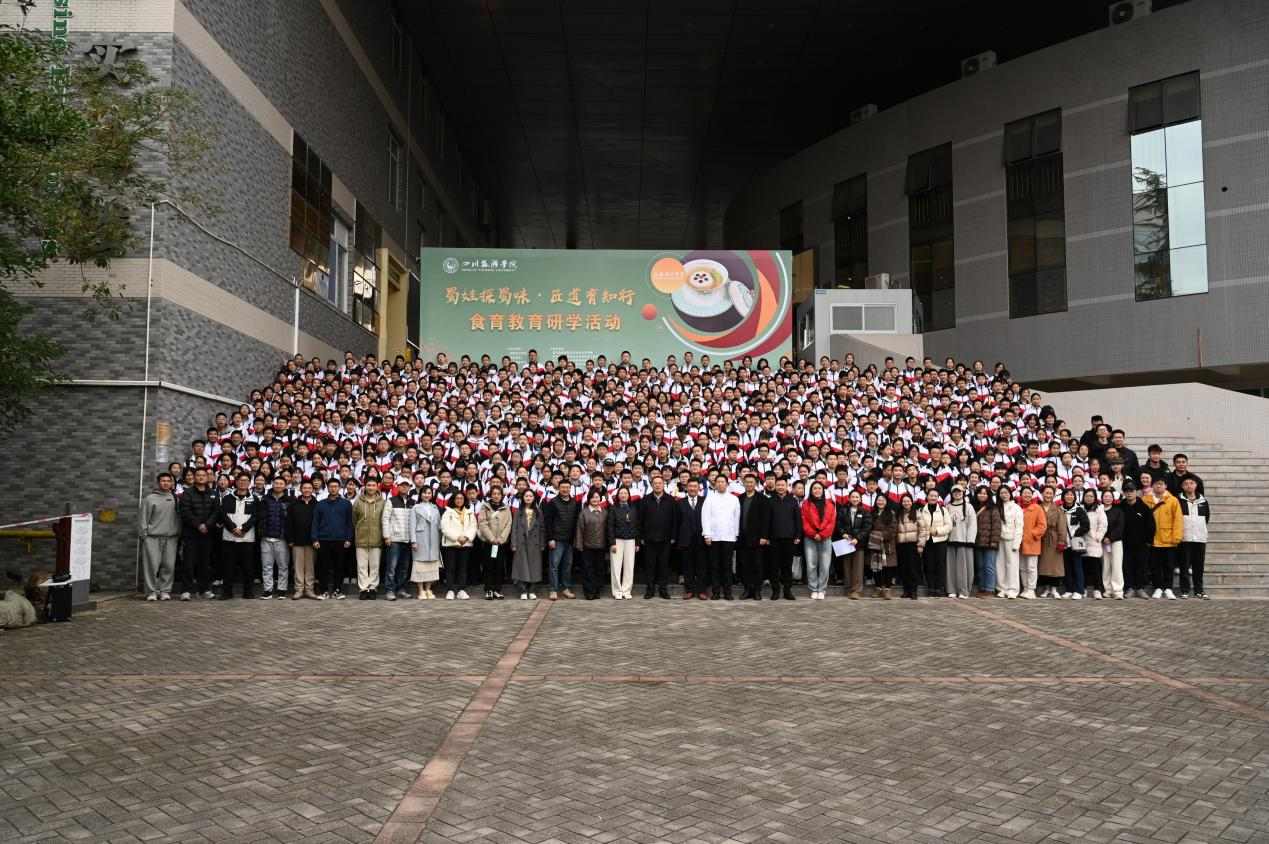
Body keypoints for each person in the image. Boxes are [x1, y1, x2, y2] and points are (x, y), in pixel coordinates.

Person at [178, 467, 219, 600]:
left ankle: (204, 590)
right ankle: (186, 590)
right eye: (198, 475)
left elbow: (216, 511)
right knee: (188, 563)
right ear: (194, 477)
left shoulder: (213, 493)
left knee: (205, 563)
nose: (201, 477)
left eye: (204, 475)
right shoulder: (187, 493)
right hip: (191, 534)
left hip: (208, 534)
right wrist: (198, 525)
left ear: (208, 477)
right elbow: (185, 512)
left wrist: (207, 525)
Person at [139, 472, 181, 602]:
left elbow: (179, 517)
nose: (166, 483)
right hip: (152, 538)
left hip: (171, 538)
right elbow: (143, 518)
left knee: (168, 566)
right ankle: (151, 592)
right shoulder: (150, 499)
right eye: (163, 481)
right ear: (158, 483)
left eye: (168, 481)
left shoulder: (175, 498)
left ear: (172, 483)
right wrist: (144, 535)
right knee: (151, 567)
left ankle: (165, 591)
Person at [217, 473, 259, 599]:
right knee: (228, 567)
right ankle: (227, 592)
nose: (243, 482)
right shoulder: (227, 498)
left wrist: (243, 529)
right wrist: (233, 528)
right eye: (241, 480)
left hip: (247, 538)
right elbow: (223, 515)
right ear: (236, 482)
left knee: (248, 567)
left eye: (246, 480)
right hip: (229, 538)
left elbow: (255, 517)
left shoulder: (254, 499)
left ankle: (248, 592)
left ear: (250, 483)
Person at [312, 477, 353, 600]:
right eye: (331, 486)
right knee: (323, 566)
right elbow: (315, 522)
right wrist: (314, 538)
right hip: (323, 540)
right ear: (327, 488)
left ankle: (337, 590)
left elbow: (350, 522)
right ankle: (323, 591)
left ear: (339, 488)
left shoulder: (346, 504)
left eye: (336, 486)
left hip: (341, 540)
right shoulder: (321, 504)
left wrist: (349, 538)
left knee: (339, 566)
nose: (333, 489)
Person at [638, 474, 677, 600]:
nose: (658, 485)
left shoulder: (670, 500)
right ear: (651, 485)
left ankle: (663, 590)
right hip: (649, 539)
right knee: (650, 566)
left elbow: (675, 519)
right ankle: (650, 590)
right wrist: (641, 536)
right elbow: (640, 519)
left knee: (663, 566)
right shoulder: (645, 499)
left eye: (660, 483)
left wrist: (673, 536)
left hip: (666, 539)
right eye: (655, 483)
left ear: (663, 484)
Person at [700, 475, 738, 600]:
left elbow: (736, 518)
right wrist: (707, 534)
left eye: (723, 482)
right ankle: (715, 591)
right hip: (714, 537)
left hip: (729, 537)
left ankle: (728, 592)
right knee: (714, 565)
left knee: (727, 566)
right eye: (718, 482)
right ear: (715, 484)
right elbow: (705, 517)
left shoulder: (733, 499)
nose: (720, 484)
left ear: (727, 484)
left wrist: (735, 534)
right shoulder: (710, 498)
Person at [1144, 476, 1182, 599]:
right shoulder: (1146, 499)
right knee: (1154, 565)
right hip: (1153, 539)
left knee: (1168, 565)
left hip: (1168, 538)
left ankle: (1168, 588)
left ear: (1165, 486)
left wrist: (1176, 537)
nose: (1158, 486)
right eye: (1156, 484)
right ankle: (1158, 588)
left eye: (1161, 483)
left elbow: (1178, 520)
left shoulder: (1173, 500)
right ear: (1152, 486)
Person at [736, 473, 771, 600]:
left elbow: (766, 519)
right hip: (742, 537)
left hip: (757, 537)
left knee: (757, 564)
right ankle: (747, 589)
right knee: (744, 564)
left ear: (755, 483)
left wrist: (764, 536)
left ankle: (757, 590)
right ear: (743, 483)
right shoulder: (739, 498)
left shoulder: (762, 498)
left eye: (752, 482)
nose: (749, 484)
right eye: (747, 482)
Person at [543, 478, 580, 601]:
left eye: (567, 487)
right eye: (563, 487)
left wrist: (575, 538)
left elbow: (577, 522)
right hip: (556, 539)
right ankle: (553, 590)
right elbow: (548, 522)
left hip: (569, 540)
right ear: (558, 488)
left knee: (567, 566)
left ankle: (565, 589)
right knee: (554, 565)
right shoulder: (553, 502)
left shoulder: (575, 502)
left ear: (570, 489)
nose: (565, 489)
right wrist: (550, 538)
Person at [801, 480, 836, 600]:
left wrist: (822, 534)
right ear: (811, 491)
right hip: (810, 538)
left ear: (823, 491)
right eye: (814, 488)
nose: (817, 490)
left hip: (825, 538)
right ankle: (813, 589)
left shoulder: (830, 505)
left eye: (819, 488)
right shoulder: (805, 504)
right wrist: (813, 534)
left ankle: (821, 589)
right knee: (811, 565)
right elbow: (804, 521)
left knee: (825, 565)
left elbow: (832, 522)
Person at [768, 477, 802, 600]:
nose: (780, 487)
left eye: (782, 485)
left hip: (789, 539)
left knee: (787, 567)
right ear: (775, 486)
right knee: (774, 566)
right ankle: (775, 591)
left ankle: (787, 591)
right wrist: (767, 537)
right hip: (774, 539)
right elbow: (767, 521)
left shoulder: (793, 500)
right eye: (778, 485)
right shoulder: (770, 500)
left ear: (787, 486)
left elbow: (798, 519)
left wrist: (798, 535)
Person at [476, 485, 512, 600]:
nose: (496, 496)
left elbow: (508, 525)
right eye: (494, 494)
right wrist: (491, 538)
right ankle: (488, 589)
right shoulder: (485, 507)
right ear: (490, 495)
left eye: (498, 494)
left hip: (501, 543)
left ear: (502, 495)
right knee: (488, 566)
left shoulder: (506, 509)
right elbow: (482, 524)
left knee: (499, 567)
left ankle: (497, 589)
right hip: (488, 543)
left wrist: (500, 539)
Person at [1121, 481, 1156, 598]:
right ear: (1123, 493)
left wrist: (1148, 541)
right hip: (1125, 544)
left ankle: (1141, 588)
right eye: (1126, 491)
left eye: (1131, 491)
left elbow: (1151, 526)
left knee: (1141, 567)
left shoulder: (1144, 508)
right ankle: (1129, 588)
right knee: (1127, 567)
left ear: (1136, 492)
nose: (1129, 493)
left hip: (1142, 544)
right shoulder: (1120, 507)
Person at [258, 476, 291, 600]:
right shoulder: (264, 499)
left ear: (285, 485)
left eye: (281, 483)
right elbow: (259, 518)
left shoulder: (289, 500)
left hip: (282, 539)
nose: (278, 485)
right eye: (276, 483)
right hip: (266, 538)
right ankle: (268, 590)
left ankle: (282, 590)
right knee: (267, 566)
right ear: (272, 484)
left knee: (283, 566)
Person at [352, 480, 386, 600]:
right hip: (361, 538)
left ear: (377, 487)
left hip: (377, 538)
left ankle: (372, 588)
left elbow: (384, 520)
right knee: (362, 566)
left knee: (375, 566)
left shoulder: (382, 502)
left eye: (373, 485)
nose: (371, 488)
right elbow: (354, 520)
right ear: (365, 487)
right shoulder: (358, 502)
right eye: (369, 485)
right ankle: (363, 588)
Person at [440, 491, 477, 599]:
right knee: (450, 569)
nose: (459, 500)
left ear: (464, 500)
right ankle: (450, 590)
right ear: (453, 500)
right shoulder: (448, 512)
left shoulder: (469, 512)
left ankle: (462, 590)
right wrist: (457, 537)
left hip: (465, 544)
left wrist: (466, 537)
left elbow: (473, 527)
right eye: (457, 498)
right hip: (451, 545)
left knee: (463, 569)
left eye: (461, 498)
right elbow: (445, 528)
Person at [381, 482, 415, 600]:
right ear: (398, 486)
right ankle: (389, 590)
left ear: (409, 487)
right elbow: (385, 519)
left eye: (406, 485)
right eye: (402, 485)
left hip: (408, 540)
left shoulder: (412, 502)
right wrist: (387, 536)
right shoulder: (391, 501)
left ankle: (401, 589)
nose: (404, 487)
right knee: (392, 567)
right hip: (394, 539)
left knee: (404, 568)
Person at [1177, 476, 1210, 599]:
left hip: (1200, 538)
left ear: (1196, 485)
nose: (1189, 486)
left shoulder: (1203, 501)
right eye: (1186, 483)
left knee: (1198, 566)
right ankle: (1184, 590)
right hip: (1184, 538)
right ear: (1182, 486)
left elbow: (1206, 518)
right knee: (1184, 566)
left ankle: (1199, 590)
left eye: (1191, 483)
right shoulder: (1178, 501)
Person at [675, 479, 708, 600]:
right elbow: (677, 522)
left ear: (699, 488)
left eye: (695, 486)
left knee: (701, 566)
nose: (693, 488)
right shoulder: (680, 503)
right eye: (690, 486)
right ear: (686, 488)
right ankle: (689, 590)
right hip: (686, 539)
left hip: (701, 539)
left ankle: (701, 590)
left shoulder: (705, 501)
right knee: (687, 566)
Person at [837, 489, 872, 600]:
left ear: (860, 499)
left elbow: (867, 528)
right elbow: (838, 524)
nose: (855, 499)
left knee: (858, 568)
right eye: (853, 497)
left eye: (857, 497)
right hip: (846, 542)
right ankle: (848, 588)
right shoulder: (843, 511)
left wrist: (858, 539)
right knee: (847, 566)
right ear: (849, 498)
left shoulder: (865, 512)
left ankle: (856, 590)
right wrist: (843, 534)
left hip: (859, 544)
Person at [510, 489, 545, 599]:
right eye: (526, 496)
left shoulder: (538, 512)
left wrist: (542, 543)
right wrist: (513, 543)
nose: (528, 498)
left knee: (534, 567)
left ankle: (532, 590)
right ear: (523, 497)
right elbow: (514, 528)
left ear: (534, 498)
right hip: (521, 542)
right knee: (521, 566)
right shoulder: (518, 511)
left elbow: (542, 529)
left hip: (535, 543)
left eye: (530, 496)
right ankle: (523, 590)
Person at [286, 480, 319, 599]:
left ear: (313, 490)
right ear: (300, 490)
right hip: (297, 541)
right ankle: (299, 589)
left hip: (312, 541)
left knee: (310, 567)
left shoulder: (317, 505)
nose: (307, 490)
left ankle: (309, 589)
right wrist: (290, 539)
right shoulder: (293, 505)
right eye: (304, 488)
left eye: (309, 488)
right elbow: (288, 523)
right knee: (298, 567)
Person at [409, 486, 442, 599]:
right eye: (425, 493)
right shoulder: (416, 507)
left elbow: (439, 526)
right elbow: (412, 526)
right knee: (419, 566)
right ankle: (420, 590)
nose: (427, 495)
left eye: (429, 493)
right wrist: (413, 541)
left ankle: (428, 589)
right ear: (421, 494)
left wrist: (440, 541)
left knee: (431, 566)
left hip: (434, 540)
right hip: (420, 539)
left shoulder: (435, 508)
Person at [945, 483, 977, 599]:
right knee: (951, 568)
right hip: (950, 540)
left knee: (964, 568)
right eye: (955, 492)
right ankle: (952, 589)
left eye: (959, 491)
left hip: (964, 541)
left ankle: (964, 590)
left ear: (963, 493)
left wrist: (970, 540)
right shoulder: (948, 507)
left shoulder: (968, 507)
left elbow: (972, 524)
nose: (957, 493)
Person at [574, 490, 608, 599]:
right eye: (592, 497)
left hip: (601, 546)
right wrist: (579, 545)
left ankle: (597, 591)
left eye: (597, 497)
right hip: (587, 546)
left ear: (600, 499)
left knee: (599, 570)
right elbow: (579, 530)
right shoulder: (584, 512)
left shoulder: (605, 512)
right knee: (588, 570)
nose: (595, 499)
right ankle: (589, 592)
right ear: (589, 499)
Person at [917, 488, 950, 598]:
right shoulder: (921, 510)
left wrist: (937, 531)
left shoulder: (943, 510)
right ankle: (930, 588)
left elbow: (949, 526)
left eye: (935, 496)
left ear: (938, 497)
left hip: (940, 541)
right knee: (929, 566)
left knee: (940, 566)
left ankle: (938, 588)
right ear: (927, 497)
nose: (933, 498)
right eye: (931, 495)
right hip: (927, 542)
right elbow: (919, 527)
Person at [1059, 489, 1090, 599]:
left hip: (1075, 542)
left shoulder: (1079, 510)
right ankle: (1069, 589)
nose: (1069, 496)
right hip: (1064, 543)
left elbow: (1086, 526)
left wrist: (1076, 533)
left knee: (1077, 567)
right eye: (1067, 495)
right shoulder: (1060, 509)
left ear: (1074, 497)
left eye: (1071, 495)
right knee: (1067, 567)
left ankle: (1079, 590)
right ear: (1063, 496)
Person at [1037, 486, 1067, 598]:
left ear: (1054, 495)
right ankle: (1046, 588)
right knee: (1043, 565)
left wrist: (1061, 541)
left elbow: (1062, 526)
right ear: (1042, 494)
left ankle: (1054, 589)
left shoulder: (1058, 509)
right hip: (1041, 538)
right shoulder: (1038, 507)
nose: (1048, 495)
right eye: (1046, 493)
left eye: (1050, 493)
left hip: (1054, 539)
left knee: (1055, 565)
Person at [973, 486, 1001, 599]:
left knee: (989, 567)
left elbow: (996, 527)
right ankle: (982, 588)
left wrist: (993, 542)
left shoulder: (993, 508)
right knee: (980, 567)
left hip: (990, 544)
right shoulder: (973, 507)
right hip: (977, 543)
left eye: (985, 493)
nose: (982, 495)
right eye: (980, 493)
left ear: (988, 495)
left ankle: (989, 589)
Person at [1018, 487, 1046, 600]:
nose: (1027, 495)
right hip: (1019, 542)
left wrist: (1032, 534)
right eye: (1024, 493)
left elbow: (1042, 525)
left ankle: (1031, 589)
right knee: (1022, 567)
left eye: (1029, 493)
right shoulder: (1017, 507)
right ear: (1021, 495)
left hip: (1032, 542)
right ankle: (1025, 587)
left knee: (1031, 567)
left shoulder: (1037, 508)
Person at [868, 498, 898, 599]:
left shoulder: (891, 514)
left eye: (883, 500)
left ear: (886, 502)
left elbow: (893, 530)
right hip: (874, 544)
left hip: (887, 544)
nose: (880, 502)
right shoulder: (872, 514)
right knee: (876, 567)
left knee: (887, 567)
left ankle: (887, 589)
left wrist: (879, 535)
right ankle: (878, 587)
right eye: (878, 500)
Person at [1100, 489, 1125, 600]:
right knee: (1106, 565)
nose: (1108, 498)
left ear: (1113, 498)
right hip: (1102, 542)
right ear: (1102, 498)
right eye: (1105, 496)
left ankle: (1118, 590)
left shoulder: (1118, 511)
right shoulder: (1099, 510)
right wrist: (1103, 538)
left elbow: (1120, 525)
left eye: (1110, 496)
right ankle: (1108, 589)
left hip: (1115, 541)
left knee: (1116, 565)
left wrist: (1110, 538)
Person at [894, 494, 920, 600]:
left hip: (913, 544)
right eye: (904, 501)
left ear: (912, 502)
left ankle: (913, 591)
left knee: (913, 569)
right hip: (901, 545)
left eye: (908, 501)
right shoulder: (898, 514)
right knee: (903, 569)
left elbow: (923, 530)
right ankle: (906, 591)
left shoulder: (917, 513)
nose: (906, 503)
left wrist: (921, 545)